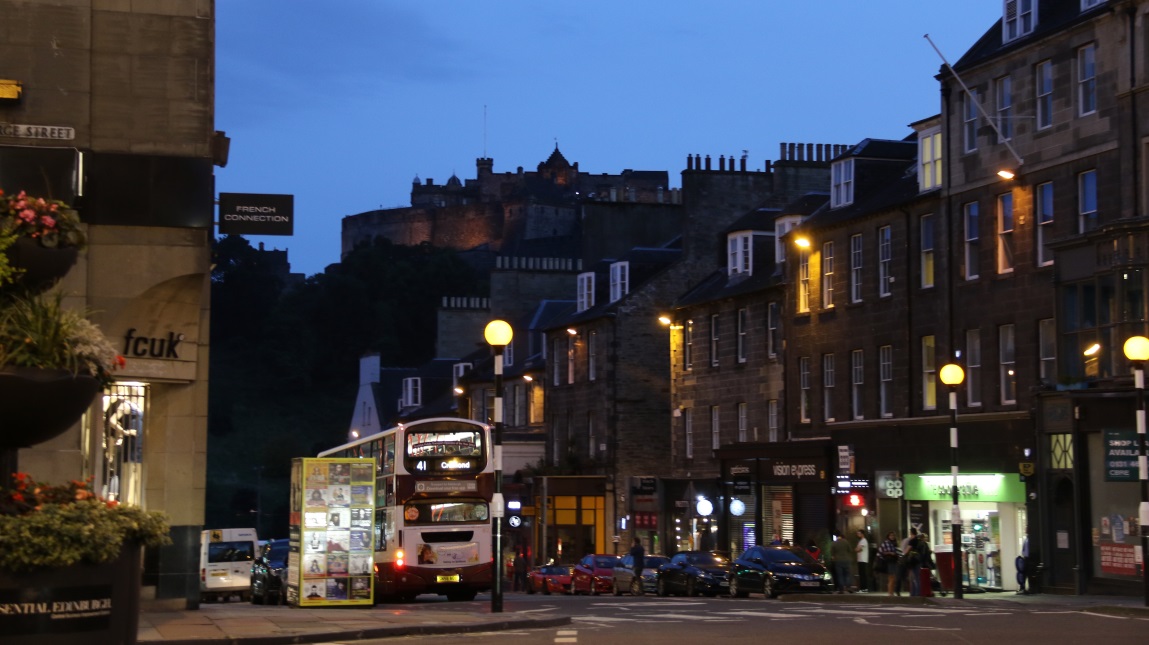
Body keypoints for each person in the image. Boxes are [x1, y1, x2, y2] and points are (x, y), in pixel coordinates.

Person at [878, 531, 900, 596]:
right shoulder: (886, 543)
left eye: (893, 535)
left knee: (893, 578)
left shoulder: (894, 543)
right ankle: (890, 593)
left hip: (894, 561)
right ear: (888, 536)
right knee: (891, 577)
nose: (892, 537)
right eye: (891, 535)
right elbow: (881, 552)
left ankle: (891, 592)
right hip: (889, 561)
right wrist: (890, 553)